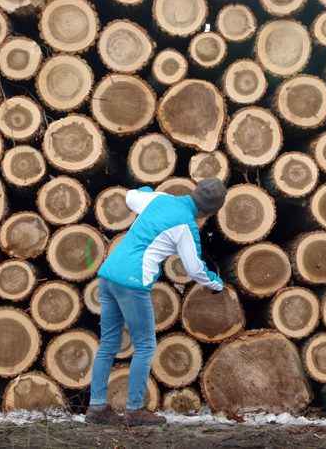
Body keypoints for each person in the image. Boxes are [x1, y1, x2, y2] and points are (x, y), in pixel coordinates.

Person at [86, 178, 227, 426]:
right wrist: (216, 283)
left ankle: (96, 407)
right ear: (210, 211)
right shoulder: (186, 225)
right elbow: (194, 269)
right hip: (133, 280)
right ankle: (135, 410)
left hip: (108, 273)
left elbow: (130, 196)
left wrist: (145, 190)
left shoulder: (161, 199)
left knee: (108, 343)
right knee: (145, 346)